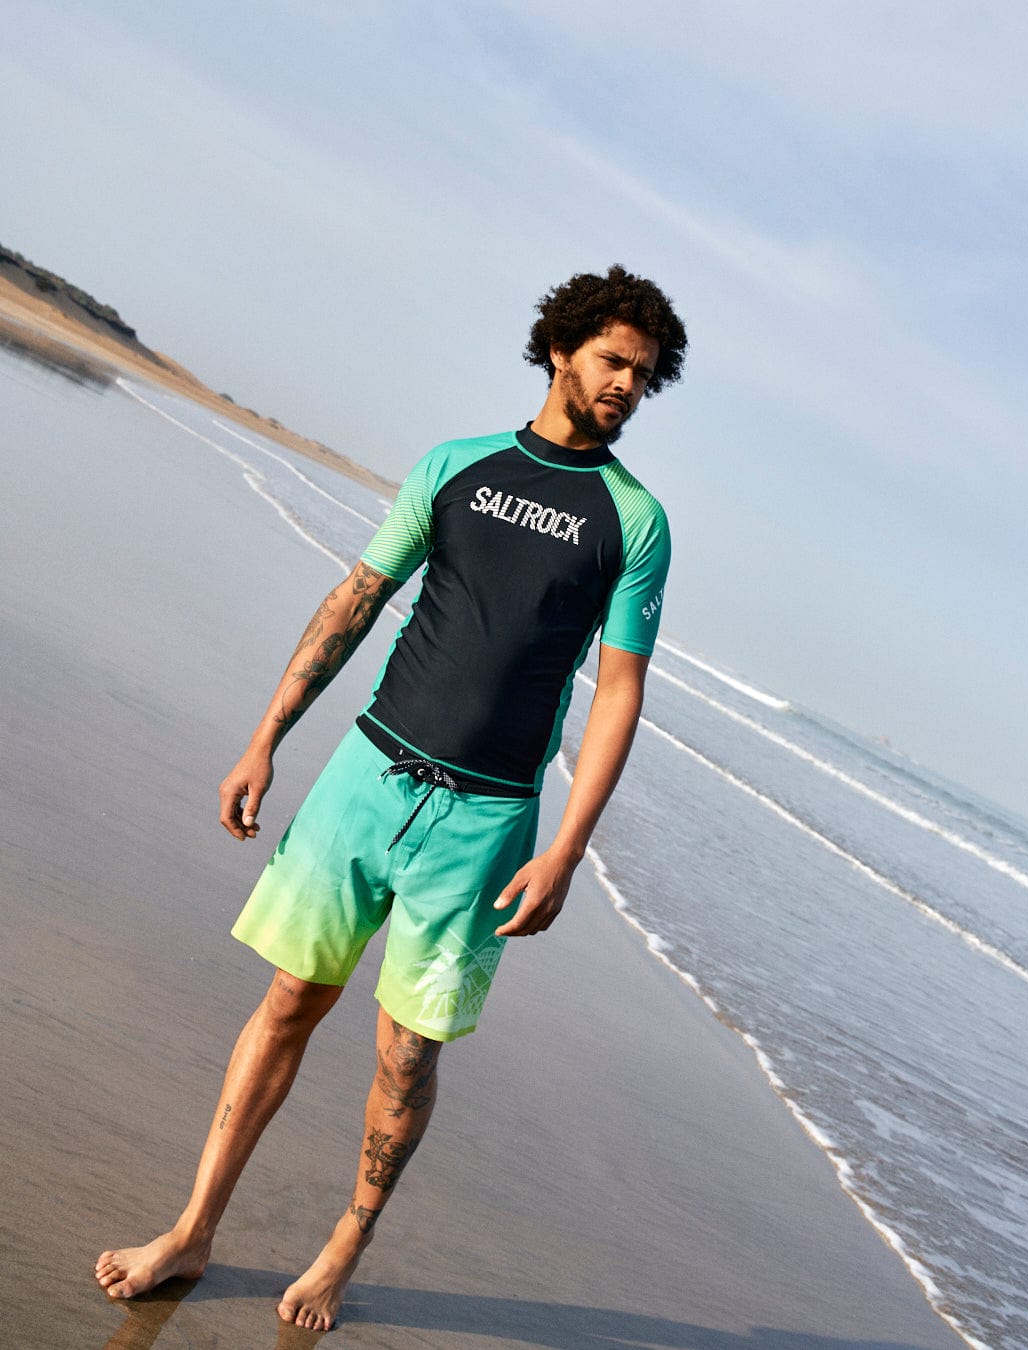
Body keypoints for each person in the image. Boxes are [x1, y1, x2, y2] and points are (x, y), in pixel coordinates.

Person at [95, 264, 688, 1331]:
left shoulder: (633, 523)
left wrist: (566, 847)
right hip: (366, 779)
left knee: (405, 1054)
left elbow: (619, 695)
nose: (626, 388)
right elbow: (359, 599)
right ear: (560, 349)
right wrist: (265, 735)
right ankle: (190, 1228)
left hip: (486, 818)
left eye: (644, 376)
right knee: (287, 1000)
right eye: (612, 362)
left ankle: (343, 1245)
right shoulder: (457, 467)